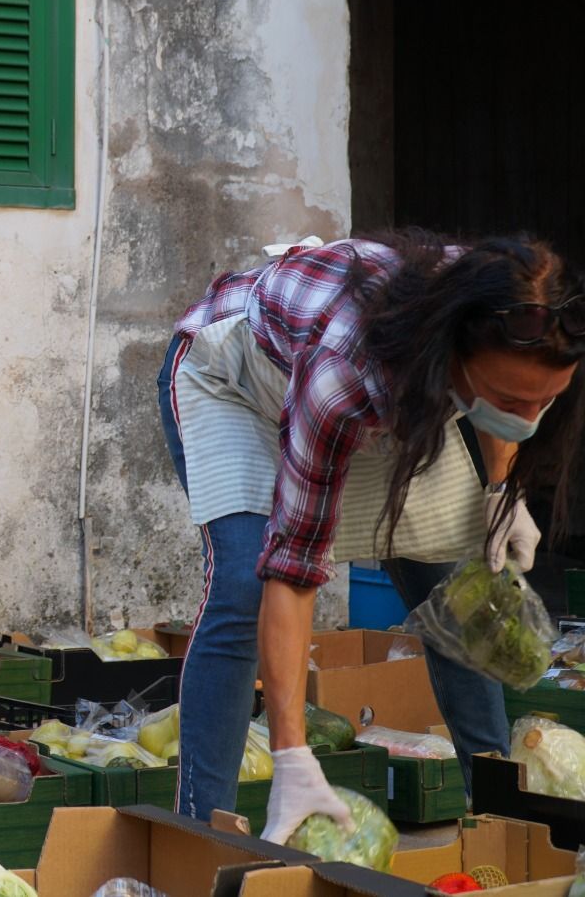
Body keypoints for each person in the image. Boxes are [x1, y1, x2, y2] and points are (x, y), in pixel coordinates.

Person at [157, 231, 585, 842]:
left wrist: (498, 493)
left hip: (398, 387)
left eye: (547, 400)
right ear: (453, 356)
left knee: (458, 582)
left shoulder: (508, 301)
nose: (527, 415)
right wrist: (292, 755)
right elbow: (293, 567)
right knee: (242, 588)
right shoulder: (346, 380)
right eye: (510, 398)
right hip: (235, 383)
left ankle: (499, 819)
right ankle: (202, 835)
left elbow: (514, 405)